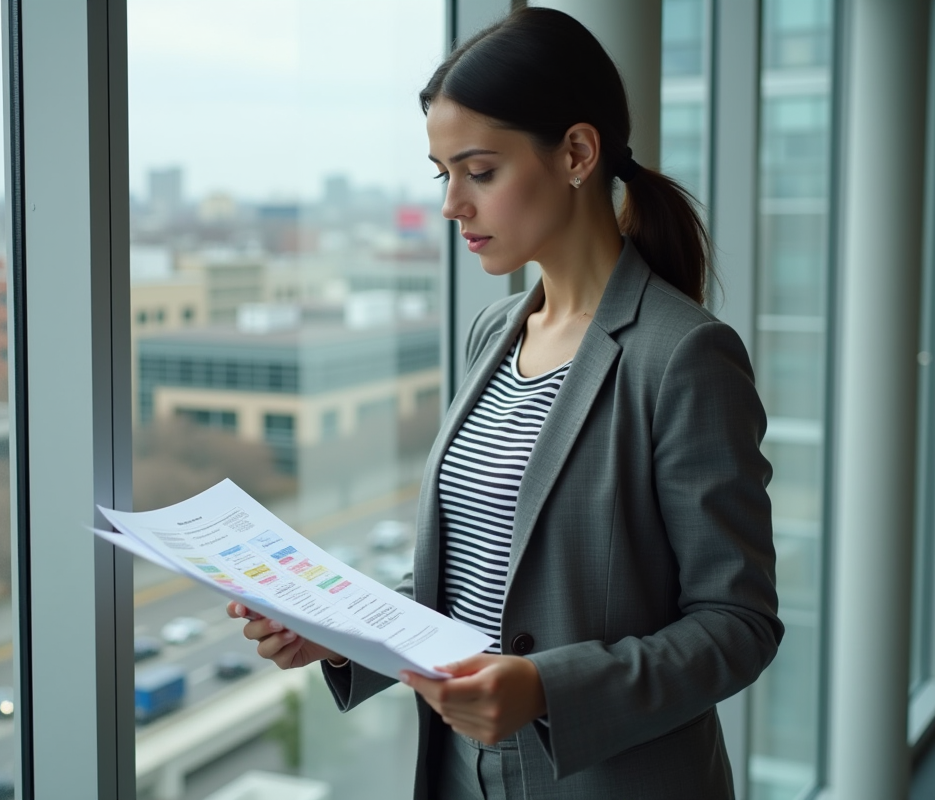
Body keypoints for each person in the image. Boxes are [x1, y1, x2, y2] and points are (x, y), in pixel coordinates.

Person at [227, 7, 782, 798]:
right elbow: (479, 579)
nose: (453, 203)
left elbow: (739, 626)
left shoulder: (683, 356)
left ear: (577, 153)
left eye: (479, 171)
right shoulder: (493, 333)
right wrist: (342, 635)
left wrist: (547, 689)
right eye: (442, 173)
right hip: (460, 775)